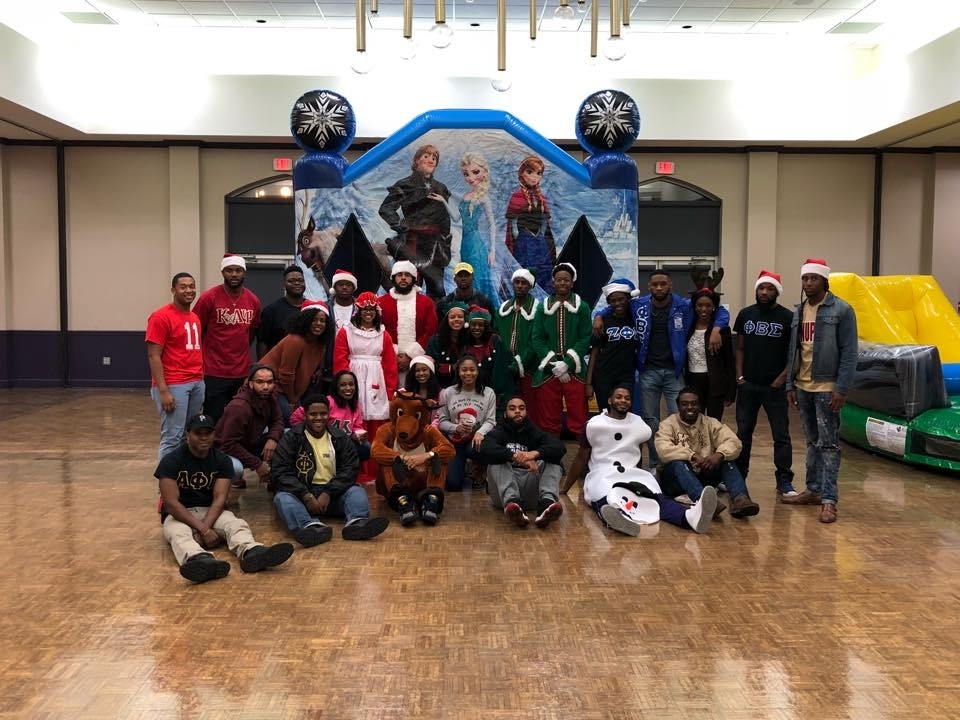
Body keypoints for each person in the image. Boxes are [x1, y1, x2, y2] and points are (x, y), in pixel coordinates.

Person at [594, 269, 729, 468]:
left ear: (670, 285)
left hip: (675, 373)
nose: (659, 288)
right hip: (648, 372)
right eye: (655, 284)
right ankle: (656, 464)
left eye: (663, 284)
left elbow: (720, 310)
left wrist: (717, 328)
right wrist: (599, 315)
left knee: (681, 419)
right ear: (649, 286)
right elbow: (616, 304)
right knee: (651, 421)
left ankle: (681, 462)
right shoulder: (639, 305)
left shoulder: (683, 305)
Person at [156, 413, 294, 584]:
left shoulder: (221, 460)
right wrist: (203, 530)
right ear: (188, 435)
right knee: (178, 534)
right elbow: (171, 503)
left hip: (211, 510)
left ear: (214, 435)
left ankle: (252, 552)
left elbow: (220, 498)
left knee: (236, 524)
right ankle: (199, 560)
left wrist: (204, 529)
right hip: (180, 514)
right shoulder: (171, 460)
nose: (204, 437)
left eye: (208, 433)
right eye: (198, 433)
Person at [562, 385, 717, 536]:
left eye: (627, 398)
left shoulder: (638, 423)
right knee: (605, 495)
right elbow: (581, 458)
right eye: (619, 397)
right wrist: (565, 487)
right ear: (609, 400)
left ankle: (689, 517)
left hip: (632, 472)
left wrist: (637, 479)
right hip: (602, 473)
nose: (623, 400)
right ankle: (619, 519)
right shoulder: (594, 424)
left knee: (654, 497)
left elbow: (637, 453)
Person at [782, 258, 858, 524]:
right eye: (805, 278)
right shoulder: (800, 310)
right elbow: (794, 350)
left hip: (827, 387)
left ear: (825, 281)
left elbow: (849, 352)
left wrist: (841, 388)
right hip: (802, 386)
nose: (808, 283)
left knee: (829, 444)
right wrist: (790, 384)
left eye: (813, 278)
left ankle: (829, 500)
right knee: (812, 442)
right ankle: (813, 490)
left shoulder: (842, 310)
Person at [269, 394, 389, 546]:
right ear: (305, 415)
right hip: (302, 496)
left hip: (333, 495)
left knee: (357, 492)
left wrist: (328, 492)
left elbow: (350, 469)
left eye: (323, 413)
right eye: (313, 414)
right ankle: (309, 527)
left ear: (329, 414)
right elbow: (280, 471)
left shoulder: (340, 437)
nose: (318, 418)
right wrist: (306, 495)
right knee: (282, 498)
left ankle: (357, 523)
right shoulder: (291, 438)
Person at [734, 270, 796, 497]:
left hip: (775, 388)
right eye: (761, 288)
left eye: (770, 289)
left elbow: (794, 353)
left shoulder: (788, 318)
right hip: (748, 385)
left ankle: (784, 480)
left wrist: (781, 379)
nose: (764, 292)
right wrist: (739, 377)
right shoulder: (745, 314)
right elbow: (739, 348)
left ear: (777, 292)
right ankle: (739, 478)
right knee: (743, 434)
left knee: (781, 435)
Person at [655, 387, 760, 519]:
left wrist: (719, 454)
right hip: (673, 481)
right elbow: (663, 449)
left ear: (700, 406)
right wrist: (692, 455)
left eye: (693, 404)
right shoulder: (668, 424)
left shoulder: (710, 423)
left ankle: (740, 499)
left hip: (701, 475)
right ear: (678, 406)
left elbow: (734, 442)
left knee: (726, 460)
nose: (689, 407)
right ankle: (705, 502)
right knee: (678, 463)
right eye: (684, 404)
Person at [476, 395, 565, 529]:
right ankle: (513, 505)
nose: (517, 411)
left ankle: (546, 504)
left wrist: (534, 454)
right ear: (505, 414)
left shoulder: (534, 432)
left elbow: (560, 447)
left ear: (526, 413)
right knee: (496, 460)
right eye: (512, 409)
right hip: (503, 495)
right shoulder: (498, 433)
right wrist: (515, 457)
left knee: (554, 459)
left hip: (532, 490)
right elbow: (484, 448)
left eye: (521, 408)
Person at [193, 254, 261, 423]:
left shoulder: (253, 301)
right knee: (213, 419)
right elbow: (197, 331)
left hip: (241, 373)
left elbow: (251, 334)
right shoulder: (208, 298)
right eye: (229, 270)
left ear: (244, 273)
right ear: (223, 272)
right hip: (214, 372)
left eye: (238, 270)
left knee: (239, 418)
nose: (234, 274)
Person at [379, 144, 452, 299]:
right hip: (412, 243)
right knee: (409, 287)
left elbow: (445, 218)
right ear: (416, 161)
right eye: (426, 156)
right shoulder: (404, 185)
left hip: (435, 246)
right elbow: (386, 208)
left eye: (434, 158)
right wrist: (401, 226)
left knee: (437, 289)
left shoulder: (441, 188)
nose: (431, 160)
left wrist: (445, 241)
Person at [372, 391, 456, 525]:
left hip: (423, 481)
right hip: (397, 482)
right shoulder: (386, 429)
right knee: (387, 461)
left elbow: (449, 449)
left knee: (438, 457)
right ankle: (403, 501)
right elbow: (376, 450)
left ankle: (431, 499)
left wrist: (427, 455)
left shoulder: (428, 430)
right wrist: (400, 457)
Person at [146, 272, 205, 461]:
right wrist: (163, 390)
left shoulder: (194, 317)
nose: (189, 290)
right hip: (174, 384)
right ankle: (166, 479)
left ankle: (182, 475)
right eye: (183, 287)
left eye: (192, 286)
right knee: (172, 437)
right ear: (173, 290)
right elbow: (153, 355)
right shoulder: (160, 317)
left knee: (188, 435)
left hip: (196, 382)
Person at [529, 263, 592, 437]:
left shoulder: (582, 307)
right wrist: (554, 365)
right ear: (553, 282)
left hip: (575, 370)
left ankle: (583, 452)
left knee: (579, 416)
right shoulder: (542, 307)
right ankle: (551, 452)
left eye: (566, 280)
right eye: (559, 280)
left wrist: (567, 364)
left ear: (572, 282)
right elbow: (537, 339)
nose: (562, 283)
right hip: (549, 370)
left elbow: (585, 338)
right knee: (548, 416)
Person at [333, 291, 398, 437]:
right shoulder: (346, 332)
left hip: (376, 379)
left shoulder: (384, 335)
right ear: (358, 311)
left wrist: (390, 391)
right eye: (365, 309)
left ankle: (375, 449)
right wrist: (343, 384)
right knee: (354, 411)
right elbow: (340, 360)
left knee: (377, 413)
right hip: (353, 377)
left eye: (372, 310)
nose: (368, 313)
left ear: (377, 312)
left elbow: (390, 366)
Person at [259, 299, 331, 425]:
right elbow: (285, 376)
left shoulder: (320, 345)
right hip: (273, 387)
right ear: (305, 320)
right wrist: (293, 400)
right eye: (314, 320)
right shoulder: (295, 340)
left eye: (322, 321)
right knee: (291, 419)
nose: (318, 324)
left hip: (292, 392)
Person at [214, 363, 284, 489]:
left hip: (250, 444)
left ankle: (275, 478)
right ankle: (229, 480)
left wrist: (272, 439)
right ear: (251, 384)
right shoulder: (239, 407)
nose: (265, 387)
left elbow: (277, 420)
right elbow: (228, 444)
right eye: (260, 382)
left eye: (269, 382)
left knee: (287, 436)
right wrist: (257, 465)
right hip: (224, 451)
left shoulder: (270, 398)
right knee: (236, 469)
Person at [437, 355, 497, 491]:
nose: (468, 373)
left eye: (472, 369)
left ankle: (480, 469)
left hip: (477, 440)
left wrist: (480, 432)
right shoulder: (448, 392)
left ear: (478, 371)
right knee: (453, 485)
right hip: (455, 441)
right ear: (458, 372)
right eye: (464, 370)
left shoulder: (488, 393)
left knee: (477, 448)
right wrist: (456, 427)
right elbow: (442, 422)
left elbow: (491, 420)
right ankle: (462, 469)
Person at [585, 278, 640, 412]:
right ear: (609, 303)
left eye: (621, 299)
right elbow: (594, 353)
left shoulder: (636, 319)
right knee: (606, 413)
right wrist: (588, 383)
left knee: (624, 411)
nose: (618, 303)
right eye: (613, 301)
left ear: (628, 299)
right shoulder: (602, 322)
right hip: (603, 377)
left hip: (626, 376)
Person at [505, 155, 556, 295]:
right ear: (522, 173)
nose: (534, 177)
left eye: (539, 173)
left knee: (543, 269)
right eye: (530, 172)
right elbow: (513, 221)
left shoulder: (540, 197)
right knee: (524, 269)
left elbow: (545, 219)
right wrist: (517, 236)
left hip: (539, 241)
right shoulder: (517, 196)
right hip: (523, 241)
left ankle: (543, 296)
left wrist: (542, 234)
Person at [685, 288, 736, 420]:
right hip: (693, 382)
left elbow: (729, 361)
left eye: (708, 305)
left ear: (714, 307)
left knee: (713, 422)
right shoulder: (688, 327)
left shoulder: (722, 330)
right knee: (694, 421)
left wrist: (731, 391)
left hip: (716, 383)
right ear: (694, 306)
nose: (703, 309)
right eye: (700, 305)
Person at [454, 152, 499, 301]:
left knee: (477, 275)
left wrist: (492, 251)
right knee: (465, 274)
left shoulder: (483, 197)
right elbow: (456, 218)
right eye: (466, 174)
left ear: (484, 172)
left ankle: (480, 306)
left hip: (476, 242)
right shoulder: (465, 196)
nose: (470, 178)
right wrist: (443, 201)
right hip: (465, 243)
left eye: (475, 172)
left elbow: (492, 224)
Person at [494, 268, 540, 402]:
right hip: (505, 369)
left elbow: (536, 342)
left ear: (530, 286)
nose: (519, 286)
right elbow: (496, 335)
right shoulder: (503, 310)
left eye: (524, 283)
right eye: (517, 282)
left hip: (530, 370)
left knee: (529, 405)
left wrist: (519, 363)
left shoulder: (538, 311)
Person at [461, 305, 516, 412]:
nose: (477, 328)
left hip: (494, 394)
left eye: (480, 325)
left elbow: (501, 373)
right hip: (472, 395)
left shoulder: (495, 341)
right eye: (473, 324)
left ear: (486, 326)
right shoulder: (465, 345)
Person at [377, 259, 438, 355]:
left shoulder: (427, 303)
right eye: (399, 275)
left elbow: (431, 331)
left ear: (414, 279)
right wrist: (393, 353)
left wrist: (411, 354)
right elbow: (377, 331)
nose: (403, 278)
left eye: (407, 275)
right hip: (388, 357)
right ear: (393, 278)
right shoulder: (381, 303)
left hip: (420, 360)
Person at [256, 265, 305, 358]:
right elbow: (262, 342)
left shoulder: (311, 309)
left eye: (300, 280)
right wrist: (262, 365)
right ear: (284, 284)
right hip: (278, 363)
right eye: (291, 281)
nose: (297, 283)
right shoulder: (271, 311)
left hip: (306, 363)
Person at [426, 301, 468, 388]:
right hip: (442, 385)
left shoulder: (471, 338)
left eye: (460, 317)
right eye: (452, 317)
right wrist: (451, 368)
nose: (456, 319)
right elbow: (429, 364)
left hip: (467, 384)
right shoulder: (436, 340)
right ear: (446, 320)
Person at [327, 268, 358, 336]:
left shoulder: (360, 308)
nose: (344, 287)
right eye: (340, 285)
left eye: (348, 285)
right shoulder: (326, 307)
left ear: (353, 288)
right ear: (334, 287)